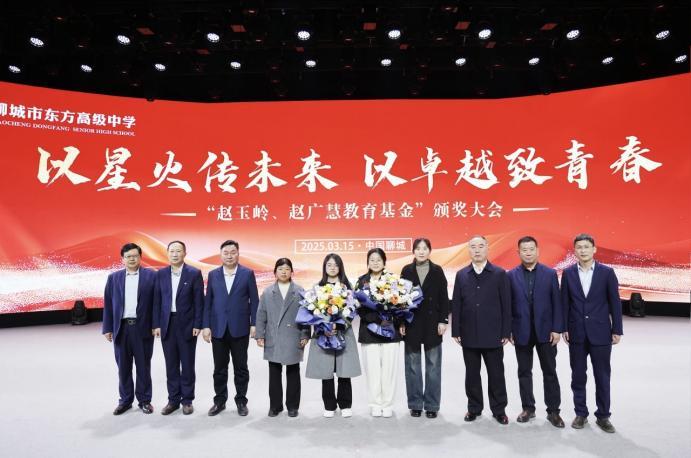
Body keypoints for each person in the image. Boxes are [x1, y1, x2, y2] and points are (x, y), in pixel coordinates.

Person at [561, 233, 623, 433]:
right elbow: (565, 303)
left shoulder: (607, 272)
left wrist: (617, 329)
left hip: (601, 332)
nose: (583, 250)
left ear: (594, 249)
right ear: (575, 251)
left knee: (602, 376)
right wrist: (564, 327)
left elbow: (615, 302)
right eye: (579, 247)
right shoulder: (568, 273)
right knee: (578, 376)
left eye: (586, 247)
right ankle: (581, 413)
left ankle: (603, 416)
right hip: (576, 332)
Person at [451, 235, 511, 425]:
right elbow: (456, 304)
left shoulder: (499, 273)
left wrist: (506, 331)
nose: (477, 250)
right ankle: (474, 408)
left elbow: (506, 304)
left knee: (496, 374)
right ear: (469, 250)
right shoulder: (462, 274)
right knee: (472, 374)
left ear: (487, 248)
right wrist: (455, 330)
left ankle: (499, 410)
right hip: (468, 332)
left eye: (480, 246)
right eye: (473, 247)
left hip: (493, 333)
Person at [507, 236, 565, 427]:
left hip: (546, 332)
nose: (528, 253)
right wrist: (509, 330)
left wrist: (557, 329)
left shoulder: (550, 274)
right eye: (524, 250)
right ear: (519, 252)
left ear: (538, 251)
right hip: (521, 331)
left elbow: (557, 303)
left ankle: (553, 411)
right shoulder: (511, 275)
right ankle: (528, 408)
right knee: (524, 372)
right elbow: (508, 306)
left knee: (550, 371)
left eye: (531, 249)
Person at [202, 240, 259, 417]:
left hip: (240, 327)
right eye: (226, 253)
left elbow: (254, 301)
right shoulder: (213, 275)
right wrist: (206, 325)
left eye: (233, 252)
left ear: (238, 254)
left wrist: (254, 323)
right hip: (218, 328)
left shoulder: (247, 273)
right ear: (221, 255)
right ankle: (219, 401)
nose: (229, 256)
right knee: (219, 368)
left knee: (241, 368)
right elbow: (208, 302)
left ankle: (241, 401)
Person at [102, 242, 156, 415]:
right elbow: (108, 304)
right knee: (123, 367)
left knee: (143, 367)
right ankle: (125, 401)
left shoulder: (151, 276)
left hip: (143, 328)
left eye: (135, 256)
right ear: (122, 259)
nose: (132, 259)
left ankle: (144, 400)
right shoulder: (114, 278)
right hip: (121, 329)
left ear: (140, 257)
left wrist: (156, 325)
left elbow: (157, 303)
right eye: (128, 256)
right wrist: (107, 328)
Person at [305, 253, 361, 418]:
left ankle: (345, 404)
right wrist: (325, 326)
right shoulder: (317, 288)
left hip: (343, 332)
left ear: (340, 267)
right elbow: (312, 311)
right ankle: (329, 405)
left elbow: (352, 311)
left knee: (344, 370)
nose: (332, 268)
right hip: (324, 334)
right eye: (329, 265)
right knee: (326, 370)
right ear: (324, 267)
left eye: (336, 265)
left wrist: (339, 324)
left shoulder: (347, 288)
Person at [152, 240, 204, 415]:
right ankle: (173, 400)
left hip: (187, 325)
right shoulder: (161, 274)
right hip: (167, 324)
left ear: (185, 253)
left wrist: (198, 324)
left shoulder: (194, 273)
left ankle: (187, 400)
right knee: (171, 364)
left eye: (178, 251)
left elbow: (199, 301)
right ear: (167, 253)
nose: (175, 254)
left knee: (187, 364)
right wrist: (156, 324)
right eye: (172, 251)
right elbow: (157, 301)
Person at [400, 238, 449, 419]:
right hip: (412, 323)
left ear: (430, 251)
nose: (421, 251)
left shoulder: (437, 271)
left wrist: (443, 320)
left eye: (425, 248)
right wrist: (401, 322)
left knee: (433, 366)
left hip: (432, 323)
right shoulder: (406, 270)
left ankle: (432, 405)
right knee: (412, 366)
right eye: (418, 248)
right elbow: (400, 299)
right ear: (413, 251)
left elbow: (444, 297)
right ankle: (415, 404)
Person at [255, 258, 310, 418]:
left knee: (293, 372)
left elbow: (306, 314)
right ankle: (275, 406)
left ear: (291, 272)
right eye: (280, 269)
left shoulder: (299, 291)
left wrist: (305, 334)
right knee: (274, 373)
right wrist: (260, 335)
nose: (284, 272)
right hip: (274, 335)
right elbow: (261, 314)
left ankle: (292, 406)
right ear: (275, 272)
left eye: (287, 269)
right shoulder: (267, 292)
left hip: (293, 335)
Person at [354, 248, 401, 418]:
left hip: (390, 330)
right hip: (369, 330)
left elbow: (400, 304)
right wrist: (376, 319)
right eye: (372, 260)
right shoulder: (361, 282)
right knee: (372, 370)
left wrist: (388, 319)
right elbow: (359, 308)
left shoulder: (393, 280)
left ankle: (387, 404)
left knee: (389, 369)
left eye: (378, 260)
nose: (375, 263)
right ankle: (375, 403)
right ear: (367, 263)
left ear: (384, 262)